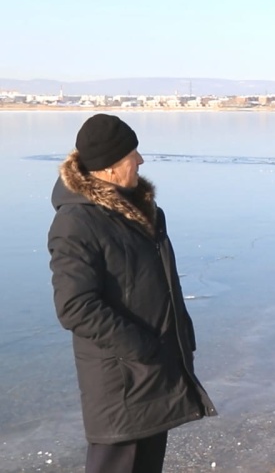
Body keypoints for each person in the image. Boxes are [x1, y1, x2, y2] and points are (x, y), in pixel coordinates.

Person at [47, 114, 217, 473]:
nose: (140, 160)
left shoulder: (140, 210)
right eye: (132, 154)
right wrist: (142, 348)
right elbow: (75, 306)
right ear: (109, 167)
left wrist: (180, 335)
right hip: (122, 381)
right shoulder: (75, 223)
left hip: (154, 370)